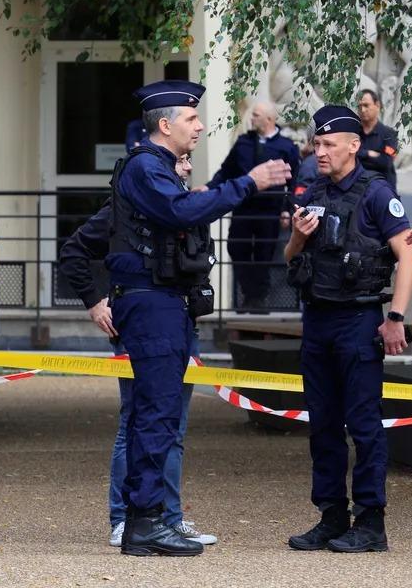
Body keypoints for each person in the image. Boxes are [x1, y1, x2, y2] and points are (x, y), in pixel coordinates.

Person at [107, 79, 291, 557]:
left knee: (161, 415)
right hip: (151, 303)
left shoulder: (158, 166)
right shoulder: (148, 168)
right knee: (155, 415)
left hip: (164, 302)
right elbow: (180, 210)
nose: (201, 126)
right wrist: (248, 183)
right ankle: (145, 522)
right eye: (191, 119)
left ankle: (147, 521)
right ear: (164, 125)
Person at [58, 153, 217, 549]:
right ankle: (125, 517)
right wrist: (96, 303)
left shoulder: (181, 208)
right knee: (137, 420)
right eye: (178, 160)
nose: (184, 167)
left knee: (171, 426)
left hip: (181, 323)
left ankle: (167, 516)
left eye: (187, 161)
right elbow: (74, 252)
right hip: (143, 325)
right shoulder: (126, 208)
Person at [285, 105, 412, 553]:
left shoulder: (376, 194)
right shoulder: (313, 191)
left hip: (359, 322)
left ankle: (371, 523)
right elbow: (290, 258)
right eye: (316, 144)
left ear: (353, 146)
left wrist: (395, 317)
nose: (319, 152)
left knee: (364, 425)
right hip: (318, 321)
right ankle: (331, 517)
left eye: (327, 145)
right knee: (322, 424)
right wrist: (299, 238)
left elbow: (409, 256)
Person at [198, 102, 299, 312]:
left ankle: (258, 299)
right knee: (236, 248)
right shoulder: (243, 142)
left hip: (270, 210)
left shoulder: (286, 146)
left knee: (264, 253)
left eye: (256, 115)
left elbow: (294, 181)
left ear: (269, 120)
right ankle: (248, 294)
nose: (251, 118)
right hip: (243, 206)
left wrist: (287, 210)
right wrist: (208, 188)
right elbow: (226, 171)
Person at [356, 89, 399, 188]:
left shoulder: (389, 135)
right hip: (357, 188)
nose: (362, 110)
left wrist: (360, 153)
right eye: (359, 106)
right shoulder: (353, 133)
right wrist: (370, 153)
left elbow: (387, 162)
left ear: (377, 105)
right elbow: (347, 157)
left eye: (366, 105)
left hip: (383, 187)